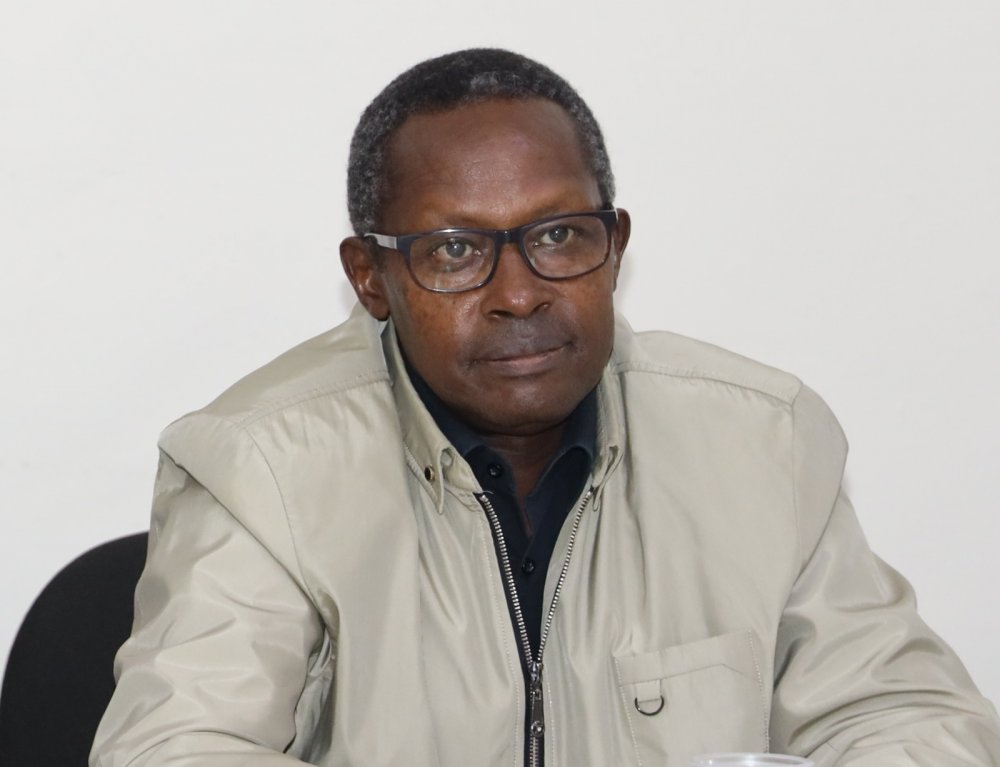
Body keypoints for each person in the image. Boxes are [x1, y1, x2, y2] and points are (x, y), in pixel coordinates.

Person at [91, 48, 1000, 767]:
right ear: (371, 277)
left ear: (616, 246)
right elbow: (176, 747)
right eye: (455, 250)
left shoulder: (760, 440)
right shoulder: (263, 467)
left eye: (559, 235)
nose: (519, 293)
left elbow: (907, 716)